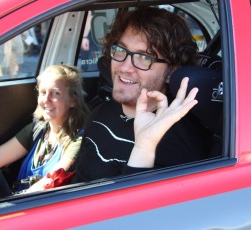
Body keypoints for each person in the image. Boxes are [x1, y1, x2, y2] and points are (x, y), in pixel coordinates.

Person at [71, 7, 209, 183]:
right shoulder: (100, 112)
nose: (125, 67)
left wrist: (144, 146)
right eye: (120, 50)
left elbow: (139, 210)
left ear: (170, 72)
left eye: (144, 58)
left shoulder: (178, 146)